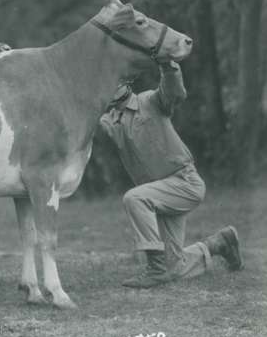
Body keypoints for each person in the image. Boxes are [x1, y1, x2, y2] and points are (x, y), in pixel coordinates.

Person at [100, 60, 242, 288]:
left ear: (127, 83)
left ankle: (155, 268)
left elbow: (173, 91)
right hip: (160, 194)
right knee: (174, 268)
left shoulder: (149, 101)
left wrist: (168, 66)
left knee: (134, 198)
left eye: (114, 81)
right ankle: (219, 243)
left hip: (183, 182)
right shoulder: (110, 120)